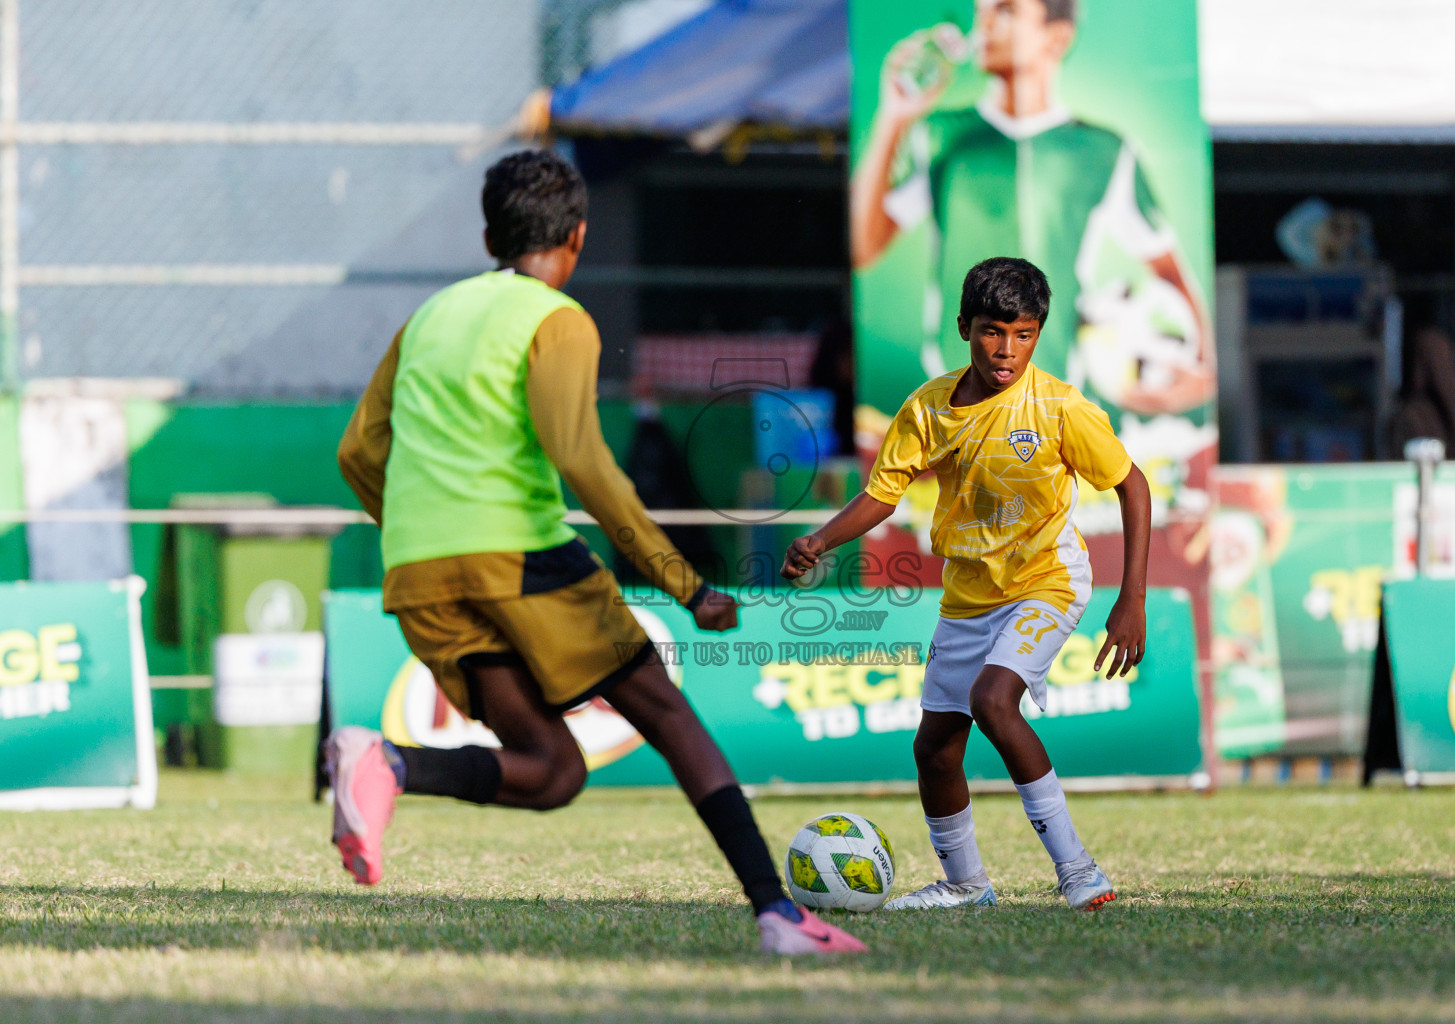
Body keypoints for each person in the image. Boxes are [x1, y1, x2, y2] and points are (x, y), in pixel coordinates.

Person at [331, 149, 865, 956]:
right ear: (577, 237)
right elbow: (581, 458)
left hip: (417, 573)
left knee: (552, 770)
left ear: (488, 236)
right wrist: (687, 587)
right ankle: (778, 913)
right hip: (518, 553)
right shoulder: (560, 320)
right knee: (668, 713)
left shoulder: (429, 318)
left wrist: (422, 535)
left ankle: (388, 762)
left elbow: (358, 455)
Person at [781, 257, 1150, 911]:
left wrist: (1133, 598)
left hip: (1048, 581)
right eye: (991, 331)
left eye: (1023, 333)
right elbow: (881, 495)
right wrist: (820, 541)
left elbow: (1132, 483)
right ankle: (965, 884)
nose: (1007, 350)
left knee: (994, 700)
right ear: (964, 327)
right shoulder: (928, 409)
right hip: (969, 595)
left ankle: (1080, 873)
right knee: (935, 749)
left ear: (1038, 334)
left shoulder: (1061, 408)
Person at [851, 0, 1214, 421]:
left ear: (1056, 37)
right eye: (980, 10)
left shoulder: (1104, 150)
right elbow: (862, 247)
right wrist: (893, 118)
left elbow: (1169, 269)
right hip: (956, 400)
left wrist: (1204, 371)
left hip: (1058, 403)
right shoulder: (940, 135)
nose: (984, 24)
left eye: (1004, 11)